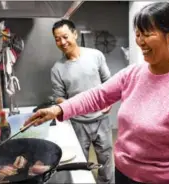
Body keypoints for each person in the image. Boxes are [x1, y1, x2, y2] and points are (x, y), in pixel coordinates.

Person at [25, 2, 169, 184]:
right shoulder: (133, 73)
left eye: (147, 34)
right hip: (123, 174)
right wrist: (58, 109)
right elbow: (97, 95)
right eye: (138, 34)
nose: (140, 41)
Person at [49, 19, 114, 184]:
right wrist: (67, 105)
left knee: (106, 162)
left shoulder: (95, 55)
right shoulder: (57, 68)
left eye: (65, 36)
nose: (62, 42)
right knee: (80, 164)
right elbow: (58, 96)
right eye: (57, 39)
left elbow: (108, 83)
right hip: (78, 123)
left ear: (75, 34)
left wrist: (109, 101)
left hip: (101, 120)